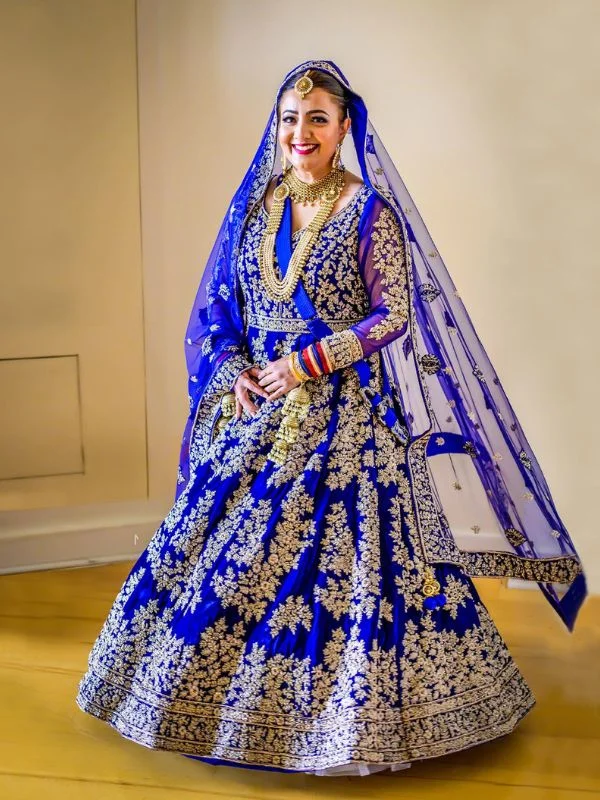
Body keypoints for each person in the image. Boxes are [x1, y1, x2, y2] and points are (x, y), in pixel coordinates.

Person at [76, 60, 587, 777]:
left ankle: (354, 722)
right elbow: (220, 311)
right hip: (263, 411)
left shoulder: (369, 211)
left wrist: (309, 363)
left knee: (355, 571)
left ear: (345, 127)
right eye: (290, 117)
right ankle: (216, 710)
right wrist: (238, 373)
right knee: (227, 558)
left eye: (318, 118)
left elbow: (394, 316)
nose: (301, 132)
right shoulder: (254, 209)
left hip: (348, 420)